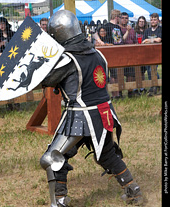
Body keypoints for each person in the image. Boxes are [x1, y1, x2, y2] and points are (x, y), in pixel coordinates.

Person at [40, 10, 142, 206]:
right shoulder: (98, 53)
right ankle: (133, 190)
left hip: (80, 117)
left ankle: (58, 201)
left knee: (53, 157)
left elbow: (47, 80)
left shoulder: (67, 59)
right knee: (106, 155)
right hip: (104, 114)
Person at [142, 13, 162, 96]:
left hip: (157, 54)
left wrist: (149, 40)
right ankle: (156, 84)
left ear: (157, 20)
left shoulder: (160, 29)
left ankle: (154, 86)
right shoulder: (147, 30)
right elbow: (143, 41)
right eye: (151, 20)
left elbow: (159, 39)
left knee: (152, 70)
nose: (153, 21)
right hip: (147, 53)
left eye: (154, 19)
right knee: (149, 70)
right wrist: (152, 40)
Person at [119, 12, 138, 97]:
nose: (124, 19)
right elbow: (121, 40)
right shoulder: (117, 29)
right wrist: (127, 31)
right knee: (120, 74)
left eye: (126, 18)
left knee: (130, 74)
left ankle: (130, 92)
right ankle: (120, 92)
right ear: (119, 18)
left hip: (130, 55)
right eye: (123, 18)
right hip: (120, 55)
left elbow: (135, 41)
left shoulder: (132, 30)